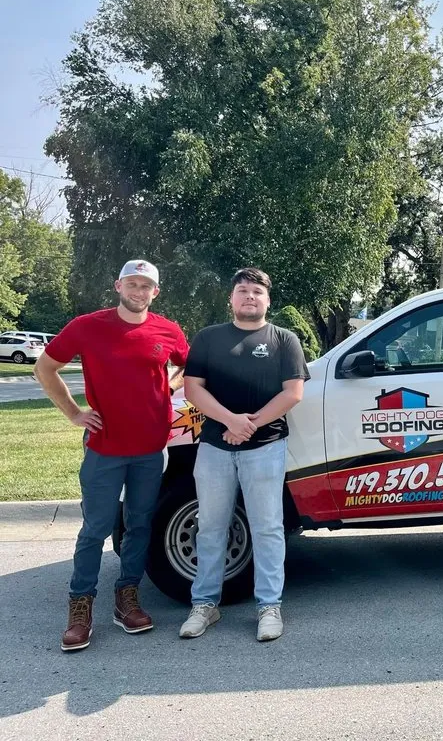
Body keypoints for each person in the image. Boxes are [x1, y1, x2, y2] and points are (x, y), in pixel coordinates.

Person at [35, 260, 189, 652]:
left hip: (151, 450)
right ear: (118, 285)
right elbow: (45, 368)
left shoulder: (168, 330)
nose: (139, 292)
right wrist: (74, 413)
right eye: (132, 284)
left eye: (147, 286)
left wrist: (164, 386)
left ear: (156, 292)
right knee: (95, 529)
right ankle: (80, 605)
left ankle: (127, 598)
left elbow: (187, 369)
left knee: (139, 525)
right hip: (104, 448)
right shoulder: (87, 327)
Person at [179, 267, 308, 642]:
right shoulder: (208, 338)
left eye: (256, 291)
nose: (249, 296)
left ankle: (269, 607)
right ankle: (204, 605)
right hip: (215, 447)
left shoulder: (285, 340)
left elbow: (292, 393)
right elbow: (193, 389)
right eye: (242, 290)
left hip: (266, 447)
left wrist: (248, 425)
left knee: (267, 528)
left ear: (268, 300)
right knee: (211, 527)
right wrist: (230, 421)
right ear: (231, 299)